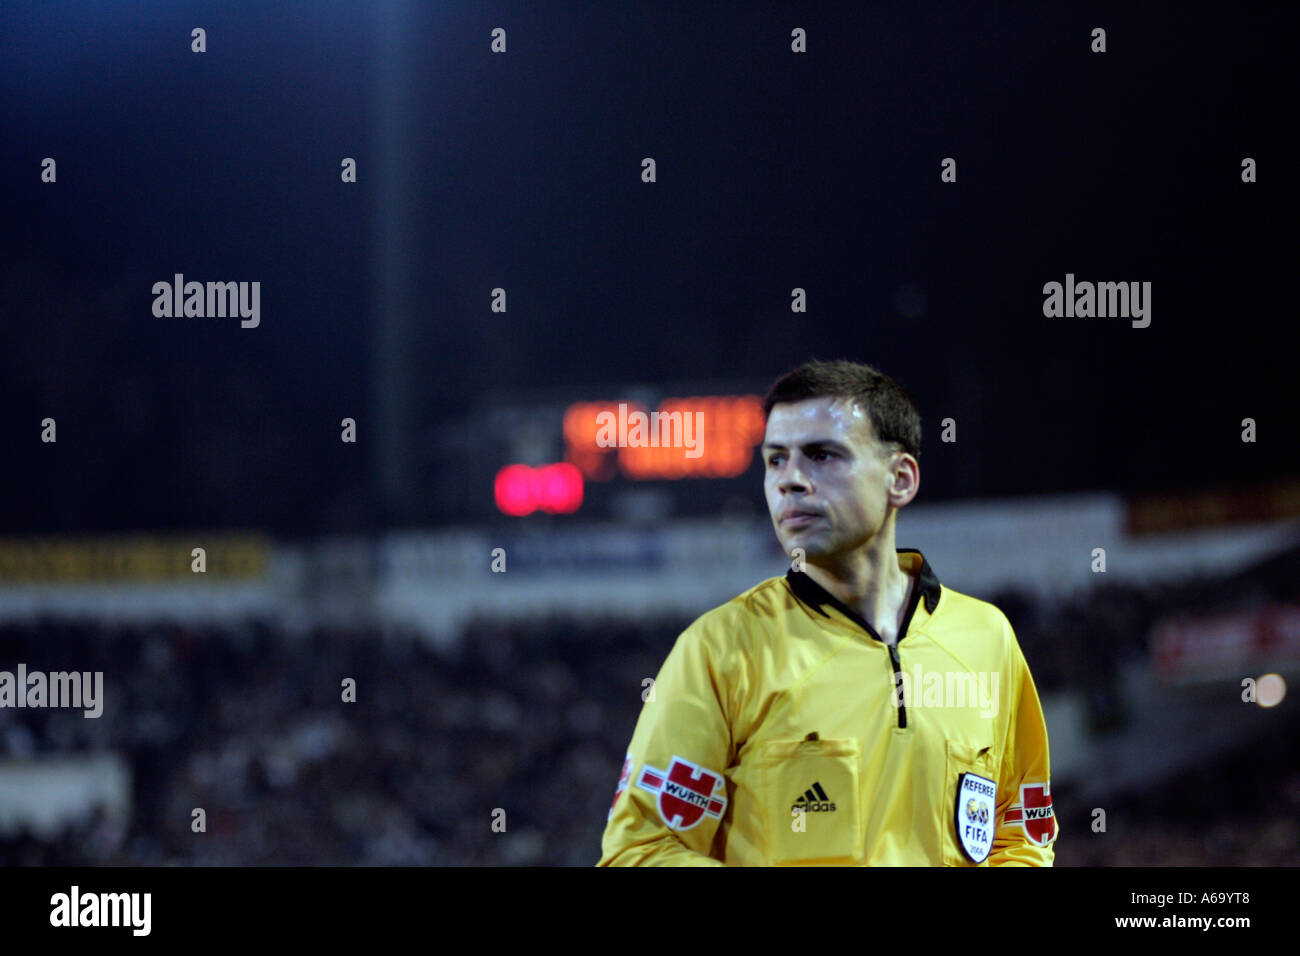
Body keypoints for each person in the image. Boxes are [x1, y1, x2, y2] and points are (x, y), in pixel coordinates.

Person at [598, 359, 1056, 865]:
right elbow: (640, 850)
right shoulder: (720, 648)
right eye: (775, 460)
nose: (790, 480)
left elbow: (1021, 832)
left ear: (899, 479)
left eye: (821, 455)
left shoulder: (986, 638)